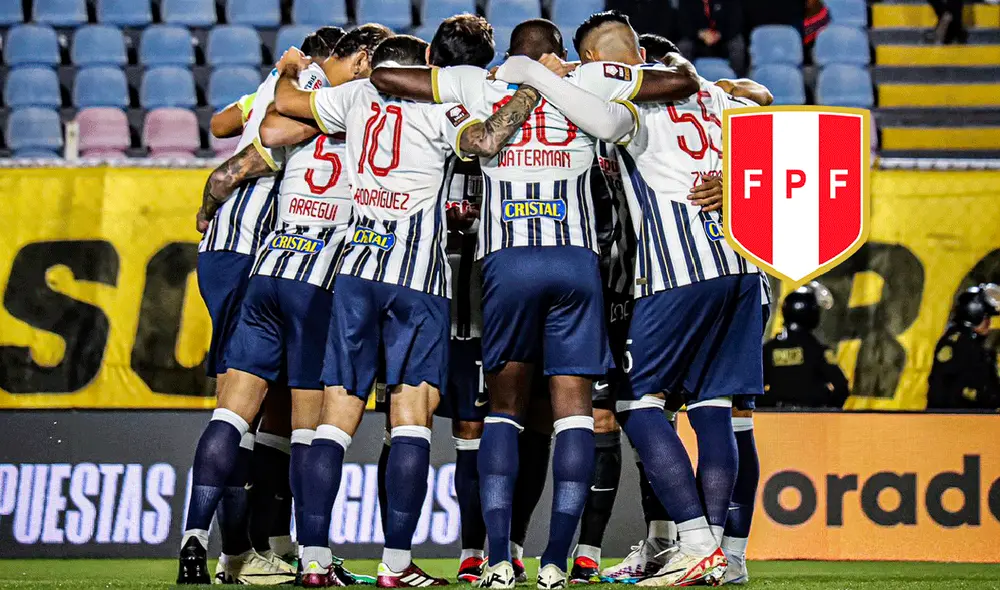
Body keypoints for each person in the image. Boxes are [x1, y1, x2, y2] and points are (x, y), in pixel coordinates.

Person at [371, 17, 702, 589]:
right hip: (575, 261)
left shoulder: (480, 83)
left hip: (507, 262)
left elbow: (390, 77)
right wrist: (565, 76)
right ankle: (555, 562)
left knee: (505, 411)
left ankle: (499, 559)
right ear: (558, 54)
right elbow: (677, 85)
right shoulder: (589, 81)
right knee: (574, 411)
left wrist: (506, 79)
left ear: (512, 54)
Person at [494, 10, 771, 585]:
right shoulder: (718, 101)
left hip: (678, 274)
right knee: (716, 412)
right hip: (744, 269)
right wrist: (740, 172)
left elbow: (589, 113)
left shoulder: (628, 106)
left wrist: (542, 72)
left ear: (596, 60)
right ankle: (725, 557)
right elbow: (770, 121)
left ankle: (694, 542)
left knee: (637, 404)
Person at [272, 32, 540, 588]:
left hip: (355, 270)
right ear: (422, 67)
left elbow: (287, 105)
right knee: (412, 419)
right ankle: (395, 565)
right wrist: (531, 93)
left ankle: (315, 561)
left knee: (334, 422)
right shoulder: (439, 105)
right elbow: (488, 141)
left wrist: (289, 68)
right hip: (415, 278)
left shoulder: (354, 97)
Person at [176, 25, 374, 586]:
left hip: (251, 256)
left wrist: (277, 77)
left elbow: (221, 127)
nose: (371, 76)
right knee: (279, 414)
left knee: (252, 408)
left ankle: (247, 546)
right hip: (260, 255)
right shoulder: (336, 101)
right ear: (350, 59)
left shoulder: (285, 81)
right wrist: (217, 188)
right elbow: (242, 158)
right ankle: (251, 551)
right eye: (366, 65)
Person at [759, 282, 850, 409]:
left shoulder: (768, 350)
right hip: (810, 421)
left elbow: (752, 391)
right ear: (811, 313)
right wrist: (824, 409)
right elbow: (841, 387)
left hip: (775, 421)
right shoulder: (817, 350)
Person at [927, 284, 1000, 410]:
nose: (989, 323)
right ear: (974, 315)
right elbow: (945, 391)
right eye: (986, 317)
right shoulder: (960, 345)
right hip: (954, 421)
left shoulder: (970, 343)